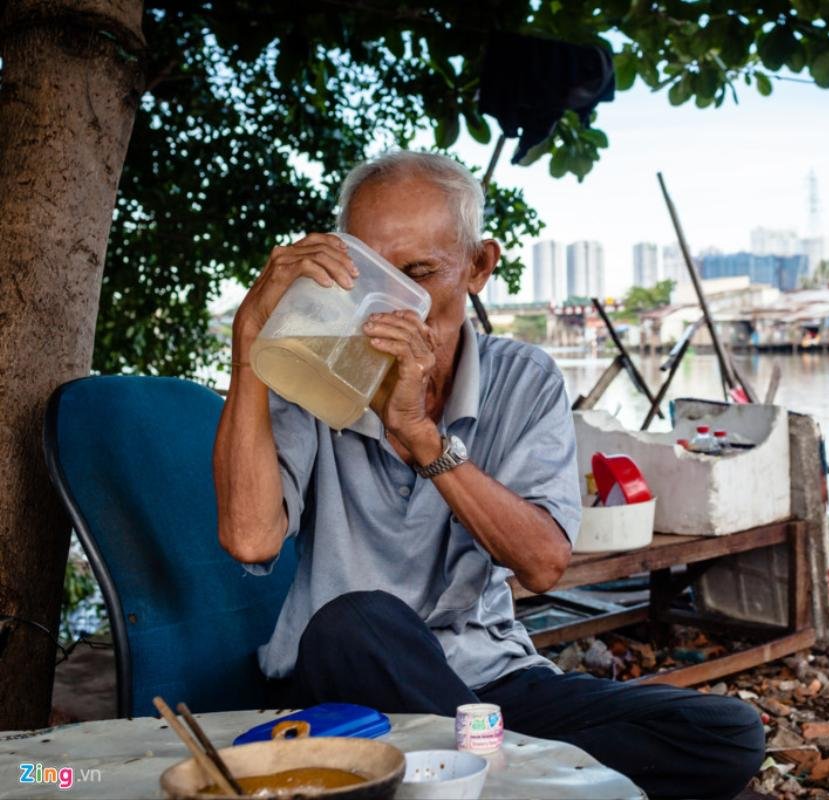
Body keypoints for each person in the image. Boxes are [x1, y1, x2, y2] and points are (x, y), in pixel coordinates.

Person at [212, 151, 764, 799]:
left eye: (418, 272)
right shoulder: (312, 372)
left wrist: (422, 436)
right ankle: (516, 778)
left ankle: (483, 774)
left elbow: (544, 563)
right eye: (371, 272)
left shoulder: (524, 378)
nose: (394, 301)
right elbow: (251, 539)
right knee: (355, 621)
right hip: (348, 689)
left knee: (727, 731)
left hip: (489, 686)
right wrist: (249, 349)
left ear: (478, 267)